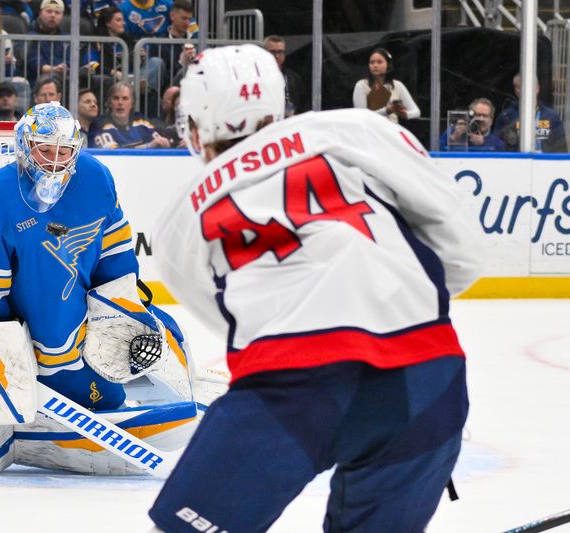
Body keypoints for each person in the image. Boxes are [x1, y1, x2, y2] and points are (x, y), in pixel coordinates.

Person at [148, 44, 482, 532]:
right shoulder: (358, 130)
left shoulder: (180, 219)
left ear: (195, 127)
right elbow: (463, 249)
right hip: (426, 378)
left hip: (292, 389)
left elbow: (236, 324)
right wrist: (387, 302)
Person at [0, 100, 192, 426]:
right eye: (45, 150)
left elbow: (114, 250)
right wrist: (5, 358)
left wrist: (120, 305)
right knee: (85, 397)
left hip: (84, 333)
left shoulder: (94, 178)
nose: (56, 163)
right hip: (32, 348)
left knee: (120, 388)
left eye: (65, 152)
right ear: (24, 146)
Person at [493, 73, 567, 153]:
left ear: (537, 88)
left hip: (545, 164)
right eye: (520, 87)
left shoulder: (552, 116)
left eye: (529, 87)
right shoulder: (506, 117)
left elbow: (561, 151)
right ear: (515, 91)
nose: (526, 90)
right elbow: (497, 151)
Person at [89, 81, 170, 148]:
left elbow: (158, 143)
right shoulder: (101, 124)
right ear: (110, 103)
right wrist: (148, 146)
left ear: (132, 104)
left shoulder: (141, 121)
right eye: (116, 98)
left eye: (125, 98)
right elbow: (115, 154)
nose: (120, 102)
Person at [353, 47, 420, 124]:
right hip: (372, 132)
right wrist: (387, 110)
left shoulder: (397, 85)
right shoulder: (362, 85)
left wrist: (405, 114)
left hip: (392, 131)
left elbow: (417, 112)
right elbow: (361, 117)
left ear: (388, 64)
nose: (375, 65)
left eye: (379, 62)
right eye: (372, 62)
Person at [25, 0, 69, 86]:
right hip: (37, 80)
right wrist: (54, 69)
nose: (53, 15)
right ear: (40, 14)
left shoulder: (67, 39)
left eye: (57, 12)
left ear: (62, 16)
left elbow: (73, 61)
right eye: (49, 11)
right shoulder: (30, 37)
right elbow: (35, 63)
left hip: (65, 79)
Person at [440, 97, 505, 152]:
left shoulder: (497, 144)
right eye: (478, 115)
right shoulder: (453, 132)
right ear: (470, 116)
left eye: (485, 116)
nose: (481, 119)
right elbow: (437, 154)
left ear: (491, 120)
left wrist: (483, 144)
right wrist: (454, 138)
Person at [264, 34, 307, 116]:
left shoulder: (294, 79)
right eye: (272, 52)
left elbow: (303, 105)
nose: (276, 56)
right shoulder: (257, 78)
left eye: (280, 52)